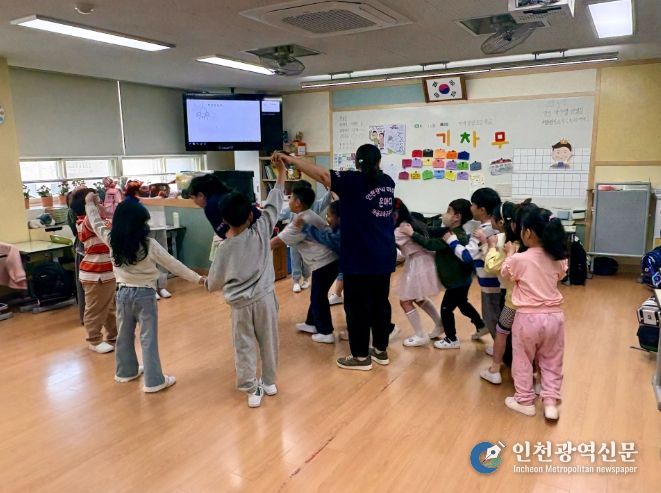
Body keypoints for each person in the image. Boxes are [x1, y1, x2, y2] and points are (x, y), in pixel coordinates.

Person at [274, 144, 396, 371]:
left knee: (357, 308)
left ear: (356, 163)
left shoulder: (352, 181)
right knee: (380, 304)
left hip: (359, 258)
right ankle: (380, 351)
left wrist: (291, 159)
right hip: (384, 255)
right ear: (379, 162)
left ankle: (360, 357)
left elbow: (322, 174)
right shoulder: (388, 182)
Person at [85, 193, 205, 393]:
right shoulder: (149, 244)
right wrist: (198, 279)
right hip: (145, 295)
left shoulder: (112, 240)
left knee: (124, 335)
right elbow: (173, 264)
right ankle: (154, 381)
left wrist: (89, 204)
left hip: (122, 294)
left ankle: (125, 372)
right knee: (148, 339)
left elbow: (96, 223)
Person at [206, 158, 286, 407]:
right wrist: (281, 172)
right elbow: (274, 202)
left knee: (244, 346)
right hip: (265, 299)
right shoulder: (262, 230)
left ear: (224, 219)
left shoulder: (224, 249)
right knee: (269, 341)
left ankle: (251, 388)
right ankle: (269, 382)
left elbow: (213, 282)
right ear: (251, 215)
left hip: (240, 305)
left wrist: (204, 282)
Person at [501, 207, 568, 420]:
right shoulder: (559, 258)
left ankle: (525, 401)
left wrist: (510, 253)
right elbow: (560, 274)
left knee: (523, 359)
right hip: (555, 317)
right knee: (552, 360)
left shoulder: (520, 259)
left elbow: (505, 273)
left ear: (528, 232)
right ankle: (550, 403)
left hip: (527, 318)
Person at [400, 199, 483, 349]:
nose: (445, 214)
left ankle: (452, 339)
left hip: (456, 281)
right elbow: (432, 234)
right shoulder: (455, 232)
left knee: (446, 309)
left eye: (448, 211)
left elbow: (431, 244)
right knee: (463, 304)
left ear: (457, 217)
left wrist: (412, 233)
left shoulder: (451, 235)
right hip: (462, 279)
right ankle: (481, 325)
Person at [271, 185, 339, 344]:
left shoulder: (301, 221)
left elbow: (276, 242)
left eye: (291, 197)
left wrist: (252, 248)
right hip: (330, 261)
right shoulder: (307, 214)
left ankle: (326, 332)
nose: (289, 200)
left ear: (298, 202)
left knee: (318, 296)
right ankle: (311, 323)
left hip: (325, 263)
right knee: (317, 294)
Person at [478, 201, 529, 384]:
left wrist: (490, 246)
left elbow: (492, 266)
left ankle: (495, 368)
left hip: (512, 301)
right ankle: (535, 376)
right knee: (530, 339)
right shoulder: (538, 248)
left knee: (502, 332)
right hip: (538, 307)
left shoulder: (505, 243)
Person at [445, 188, 501, 346]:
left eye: (473, 205)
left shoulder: (483, 230)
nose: (470, 208)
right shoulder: (494, 226)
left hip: (490, 284)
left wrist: (451, 240)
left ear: (482, 209)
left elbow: (467, 256)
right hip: (495, 282)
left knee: (492, 317)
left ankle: (501, 350)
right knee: (495, 316)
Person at [70, 188, 117, 354]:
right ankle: (94, 339)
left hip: (107, 273)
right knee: (95, 309)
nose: (101, 204)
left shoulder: (101, 221)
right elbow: (94, 219)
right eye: (97, 202)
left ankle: (114, 334)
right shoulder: (86, 222)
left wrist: (101, 208)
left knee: (110, 308)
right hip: (96, 275)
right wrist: (91, 202)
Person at [392, 199, 442, 347]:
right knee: (419, 298)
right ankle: (440, 324)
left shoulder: (399, 230)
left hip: (418, 263)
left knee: (405, 301)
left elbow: (388, 243)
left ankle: (420, 334)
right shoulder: (412, 222)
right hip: (423, 261)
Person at [188, 173, 262, 261]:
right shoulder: (226, 194)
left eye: (193, 198)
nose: (193, 201)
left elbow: (226, 233)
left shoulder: (211, 206)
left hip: (249, 239)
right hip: (260, 230)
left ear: (201, 195)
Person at [277, 180, 332, 293]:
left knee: (307, 261)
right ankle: (296, 281)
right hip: (295, 240)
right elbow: (280, 215)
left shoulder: (314, 205)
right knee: (295, 259)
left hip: (309, 240)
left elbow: (326, 200)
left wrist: (330, 188)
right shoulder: (292, 207)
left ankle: (306, 278)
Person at [301, 200, 344, 306]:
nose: (326, 218)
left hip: (353, 270)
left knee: (318, 296)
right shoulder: (339, 228)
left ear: (339, 218)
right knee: (317, 296)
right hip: (344, 266)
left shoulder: (341, 234)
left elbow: (327, 238)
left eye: (329, 216)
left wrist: (308, 228)